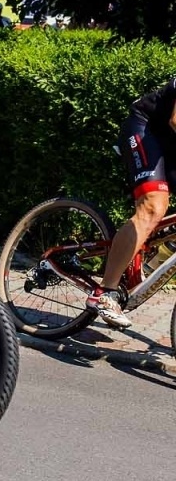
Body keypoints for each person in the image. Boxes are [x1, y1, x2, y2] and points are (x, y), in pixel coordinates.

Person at [89, 79, 176, 327]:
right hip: (146, 129)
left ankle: (156, 257)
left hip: (171, 143)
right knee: (153, 206)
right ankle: (104, 293)